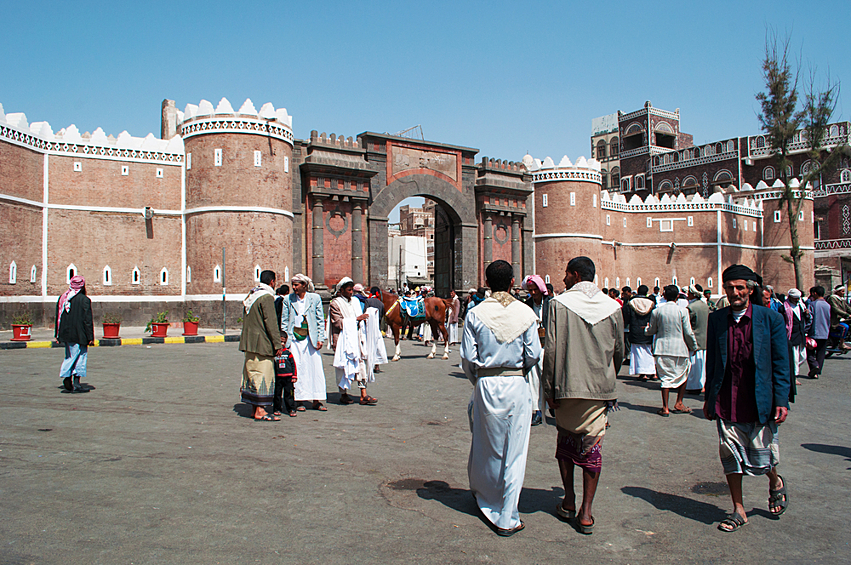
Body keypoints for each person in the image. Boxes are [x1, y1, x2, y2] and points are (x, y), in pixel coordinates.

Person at [703, 264, 790, 532]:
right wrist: (709, 397)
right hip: (726, 398)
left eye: (740, 287)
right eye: (730, 288)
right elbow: (713, 361)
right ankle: (738, 509)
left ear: (750, 290)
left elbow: (780, 362)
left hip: (758, 398)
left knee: (761, 456)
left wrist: (781, 400)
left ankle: (775, 480)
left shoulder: (769, 319)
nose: (735, 292)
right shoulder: (717, 319)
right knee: (730, 454)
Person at [542, 256, 623, 535]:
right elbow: (619, 350)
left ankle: (569, 500)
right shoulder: (612, 306)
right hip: (599, 389)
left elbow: (551, 350)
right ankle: (586, 512)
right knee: (592, 447)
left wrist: (549, 389)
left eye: (566, 274)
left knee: (565, 443)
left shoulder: (558, 305)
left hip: (566, 386)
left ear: (575, 275)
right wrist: (608, 379)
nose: (563, 279)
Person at [461, 260, 541, 536]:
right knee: (515, 449)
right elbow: (533, 354)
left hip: (486, 383)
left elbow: (468, 359)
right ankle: (507, 514)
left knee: (486, 445)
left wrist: (480, 380)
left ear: (486, 281)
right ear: (512, 282)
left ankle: (486, 497)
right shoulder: (526, 313)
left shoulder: (475, 313)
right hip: (516, 384)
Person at [646, 285, 697, 416]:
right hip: (679, 348)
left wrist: (646, 330)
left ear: (664, 296)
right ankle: (679, 402)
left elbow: (652, 330)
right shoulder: (683, 311)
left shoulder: (657, 311)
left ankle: (665, 407)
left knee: (665, 378)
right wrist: (694, 346)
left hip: (662, 348)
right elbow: (688, 332)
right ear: (678, 297)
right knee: (683, 375)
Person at [239, 270, 283, 421]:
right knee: (264, 375)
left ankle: (253, 408)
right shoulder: (266, 297)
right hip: (262, 344)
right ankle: (260, 410)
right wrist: (277, 345)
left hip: (249, 343)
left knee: (251, 373)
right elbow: (271, 323)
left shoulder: (251, 295)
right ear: (272, 282)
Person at [282, 274, 327, 411]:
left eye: (297, 285)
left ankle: (316, 399)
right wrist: (284, 340)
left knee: (314, 368)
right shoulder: (288, 300)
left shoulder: (314, 299)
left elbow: (320, 319)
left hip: (310, 339)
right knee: (298, 368)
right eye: (293, 285)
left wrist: (320, 338)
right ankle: (299, 399)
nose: (294, 288)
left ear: (304, 285)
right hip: (294, 339)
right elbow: (284, 321)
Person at [330, 277, 377, 405]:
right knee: (343, 368)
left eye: (352, 290)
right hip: (342, 340)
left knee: (360, 365)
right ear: (342, 290)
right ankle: (343, 394)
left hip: (356, 338)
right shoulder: (335, 304)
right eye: (349, 290)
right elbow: (338, 322)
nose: (351, 292)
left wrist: (365, 319)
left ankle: (363, 394)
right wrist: (356, 319)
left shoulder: (355, 302)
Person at [55, 274, 94, 393]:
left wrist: (57, 335)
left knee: (70, 355)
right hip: (80, 334)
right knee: (80, 357)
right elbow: (87, 320)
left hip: (66, 334)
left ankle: (70, 379)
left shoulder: (63, 298)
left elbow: (58, 317)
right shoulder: (84, 300)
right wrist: (90, 337)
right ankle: (71, 379)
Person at [523, 274, 551, 426]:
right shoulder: (527, 305)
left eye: (535, 290)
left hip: (548, 346)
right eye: (530, 290)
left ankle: (550, 405)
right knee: (533, 379)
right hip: (533, 347)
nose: (533, 293)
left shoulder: (551, 304)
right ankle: (537, 410)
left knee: (548, 378)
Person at [623, 285, 656, 382]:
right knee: (649, 352)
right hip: (647, 330)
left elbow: (626, 317)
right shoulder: (651, 303)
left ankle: (643, 373)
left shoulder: (631, 303)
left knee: (638, 353)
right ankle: (652, 372)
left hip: (635, 330)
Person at [781, 289, 810, 383]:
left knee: (803, 356)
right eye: (795, 298)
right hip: (791, 335)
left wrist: (807, 314)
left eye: (798, 298)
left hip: (801, 334)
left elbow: (805, 319)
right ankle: (794, 376)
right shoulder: (784, 308)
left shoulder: (801, 306)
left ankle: (791, 370)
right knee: (794, 357)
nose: (797, 300)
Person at [686, 284, 710, 394]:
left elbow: (687, 325)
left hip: (695, 339)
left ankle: (694, 386)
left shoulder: (691, 308)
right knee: (702, 365)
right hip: (704, 339)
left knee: (694, 366)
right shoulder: (705, 306)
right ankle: (702, 384)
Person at [806, 286, 831, 379]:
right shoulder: (828, 305)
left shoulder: (812, 304)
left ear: (815, 293)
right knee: (821, 352)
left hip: (814, 332)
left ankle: (814, 366)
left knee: (810, 353)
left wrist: (806, 329)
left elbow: (810, 319)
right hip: (825, 332)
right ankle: (818, 369)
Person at [273, 331, 298, 417]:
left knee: (289, 394)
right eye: (280, 341)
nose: (282, 344)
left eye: (284, 342)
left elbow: (293, 364)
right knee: (277, 394)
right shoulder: (274, 353)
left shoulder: (288, 353)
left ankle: (291, 409)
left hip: (288, 377)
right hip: (278, 377)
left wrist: (294, 376)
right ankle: (277, 408)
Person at [826, 284, 851, 349]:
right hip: (835, 321)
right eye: (842, 291)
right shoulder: (832, 299)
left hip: (841, 319)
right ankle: (841, 344)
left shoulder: (842, 300)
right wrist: (847, 315)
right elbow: (836, 309)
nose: (843, 293)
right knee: (845, 327)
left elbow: (848, 308)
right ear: (837, 291)